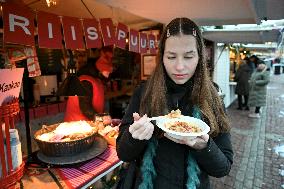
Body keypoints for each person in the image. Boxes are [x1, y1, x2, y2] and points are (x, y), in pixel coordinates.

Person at [116, 18, 233, 189]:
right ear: (162, 56)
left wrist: (205, 147)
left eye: (188, 56)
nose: (179, 67)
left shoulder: (212, 97)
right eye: (171, 56)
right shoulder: (144, 92)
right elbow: (123, 153)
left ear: (200, 56)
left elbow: (223, 168)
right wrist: (133, 137)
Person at [64, 46, 114, 122]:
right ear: (100, 69)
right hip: (77, 126)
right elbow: (85, 107)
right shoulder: (85, 81)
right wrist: (101, 118)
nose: (109, 73)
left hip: (88, 124)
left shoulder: (96, 79)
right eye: (107, 71)